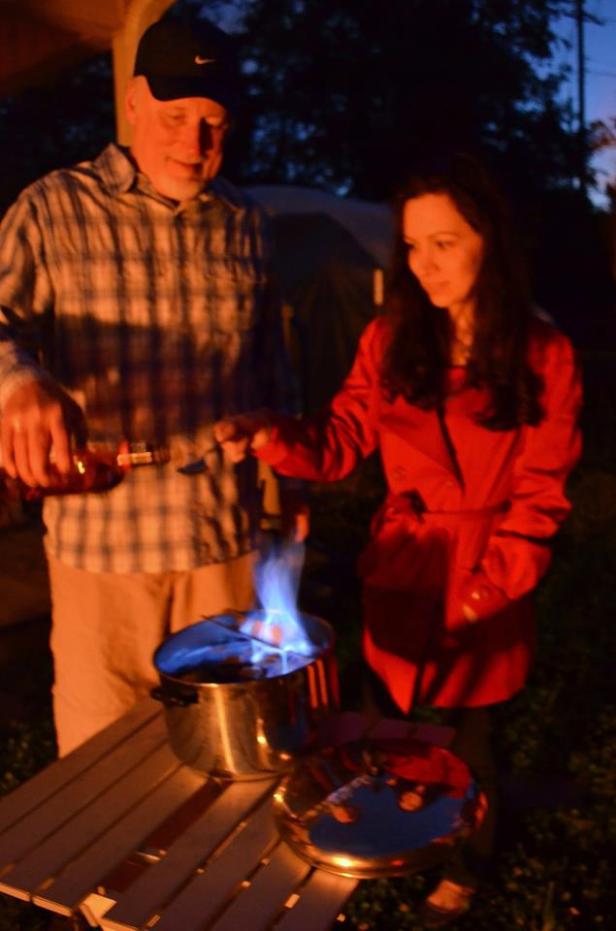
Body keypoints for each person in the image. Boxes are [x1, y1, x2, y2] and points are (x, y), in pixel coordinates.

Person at [215, 153, 582, 925]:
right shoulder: (390, 337)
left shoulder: (545, 354)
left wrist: (487, 587)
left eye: (444, 242)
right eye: (413, 246)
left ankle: (468, 863)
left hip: (487, 574)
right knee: (388, 726)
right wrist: (271, 437)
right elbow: (340, 438)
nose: (425, 263)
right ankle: (397, 833)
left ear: (489, 238)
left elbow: (542, 494)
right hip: (403, 569)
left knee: (470, 738)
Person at [0, 17, 299, 757]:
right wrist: (16, 382)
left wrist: (290, 484)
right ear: (133, 103)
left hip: (221, 539)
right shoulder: (51, 208)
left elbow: (275, 370)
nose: (194, 144)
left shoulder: (247, 222)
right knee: (105, 762)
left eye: (213, 123)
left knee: (227, 754)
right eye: (174, 118)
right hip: (103, 545)